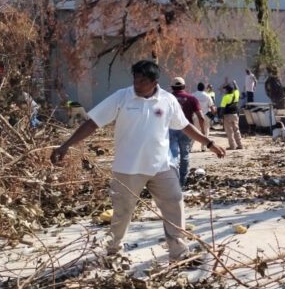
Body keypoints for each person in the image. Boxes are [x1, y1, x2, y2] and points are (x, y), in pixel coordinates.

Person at [50, 60, 226, 261]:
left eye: (143, 80)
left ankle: (178, 251)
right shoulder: (121, 97)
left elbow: (185, 126)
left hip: (161, 166)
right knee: (122, 212)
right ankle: (113, 249)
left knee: (174, 202)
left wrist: (209, 143)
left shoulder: (168, 100)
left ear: (154, 81)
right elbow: (93, 123)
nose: (137, 84)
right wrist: (66, 145)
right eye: (135, 79)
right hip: (128, 168)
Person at [169, 77, 207, 186]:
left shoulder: (167, 98)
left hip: (170, 129)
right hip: (187, 129)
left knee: (173, 155)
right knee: (185, 155)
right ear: (184, 86)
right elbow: (201, 117)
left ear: (172, 87)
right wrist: (202, 132)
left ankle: (173, 181)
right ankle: (183, 181)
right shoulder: (191, 98)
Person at [220, 83, 243, 150]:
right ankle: (240, 145)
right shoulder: (236, 94)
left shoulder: (225, 97)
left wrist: (221, 117)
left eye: (225, 90)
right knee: (236, 130)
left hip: (227, 116)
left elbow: (222, 108)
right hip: (235, 115)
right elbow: (237, 89)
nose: (224, 91)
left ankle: (232, 146)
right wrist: (235, 83)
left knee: (229, 131)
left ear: (227, 90)